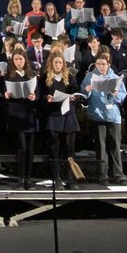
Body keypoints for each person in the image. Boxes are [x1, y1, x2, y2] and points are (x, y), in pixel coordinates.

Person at [82, 53, 126, 183]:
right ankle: (103, 174)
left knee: (115, 145)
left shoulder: (115, 77)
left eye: (104, 64)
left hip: (113, 116)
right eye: (99, 64)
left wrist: (116, 94)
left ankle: (118, 173)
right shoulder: (90, 76)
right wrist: (88, 90)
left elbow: (122, 96)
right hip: (98, 115)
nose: (101, 67)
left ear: (108, 65)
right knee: (101, 146)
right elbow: (84, 96)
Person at [3, 49, 40, 189]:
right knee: (21, 148)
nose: (18, 62)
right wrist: (6, 95)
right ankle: (20, 178)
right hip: (17, 115)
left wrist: (33, 97)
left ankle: (28, 179)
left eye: (21, 59)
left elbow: (38, 94)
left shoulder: (31, 75)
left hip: (29, 114)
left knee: (30, 149)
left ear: (25, 60)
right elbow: (4, 95)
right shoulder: (9, 76)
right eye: (16, 59)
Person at [42, 53, 79, 189]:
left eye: (60, 62)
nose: (58, 65)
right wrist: (47, 98)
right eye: (56, 62)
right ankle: (57, 178)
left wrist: (74, 97)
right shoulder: (46, 78)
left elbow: (76, 93)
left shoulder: (70, 77)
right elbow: (42, 96)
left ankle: (71, 178)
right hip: (54, 115)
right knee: (55, 148)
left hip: (68, 114)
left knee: (69, 149)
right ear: (51, 64)